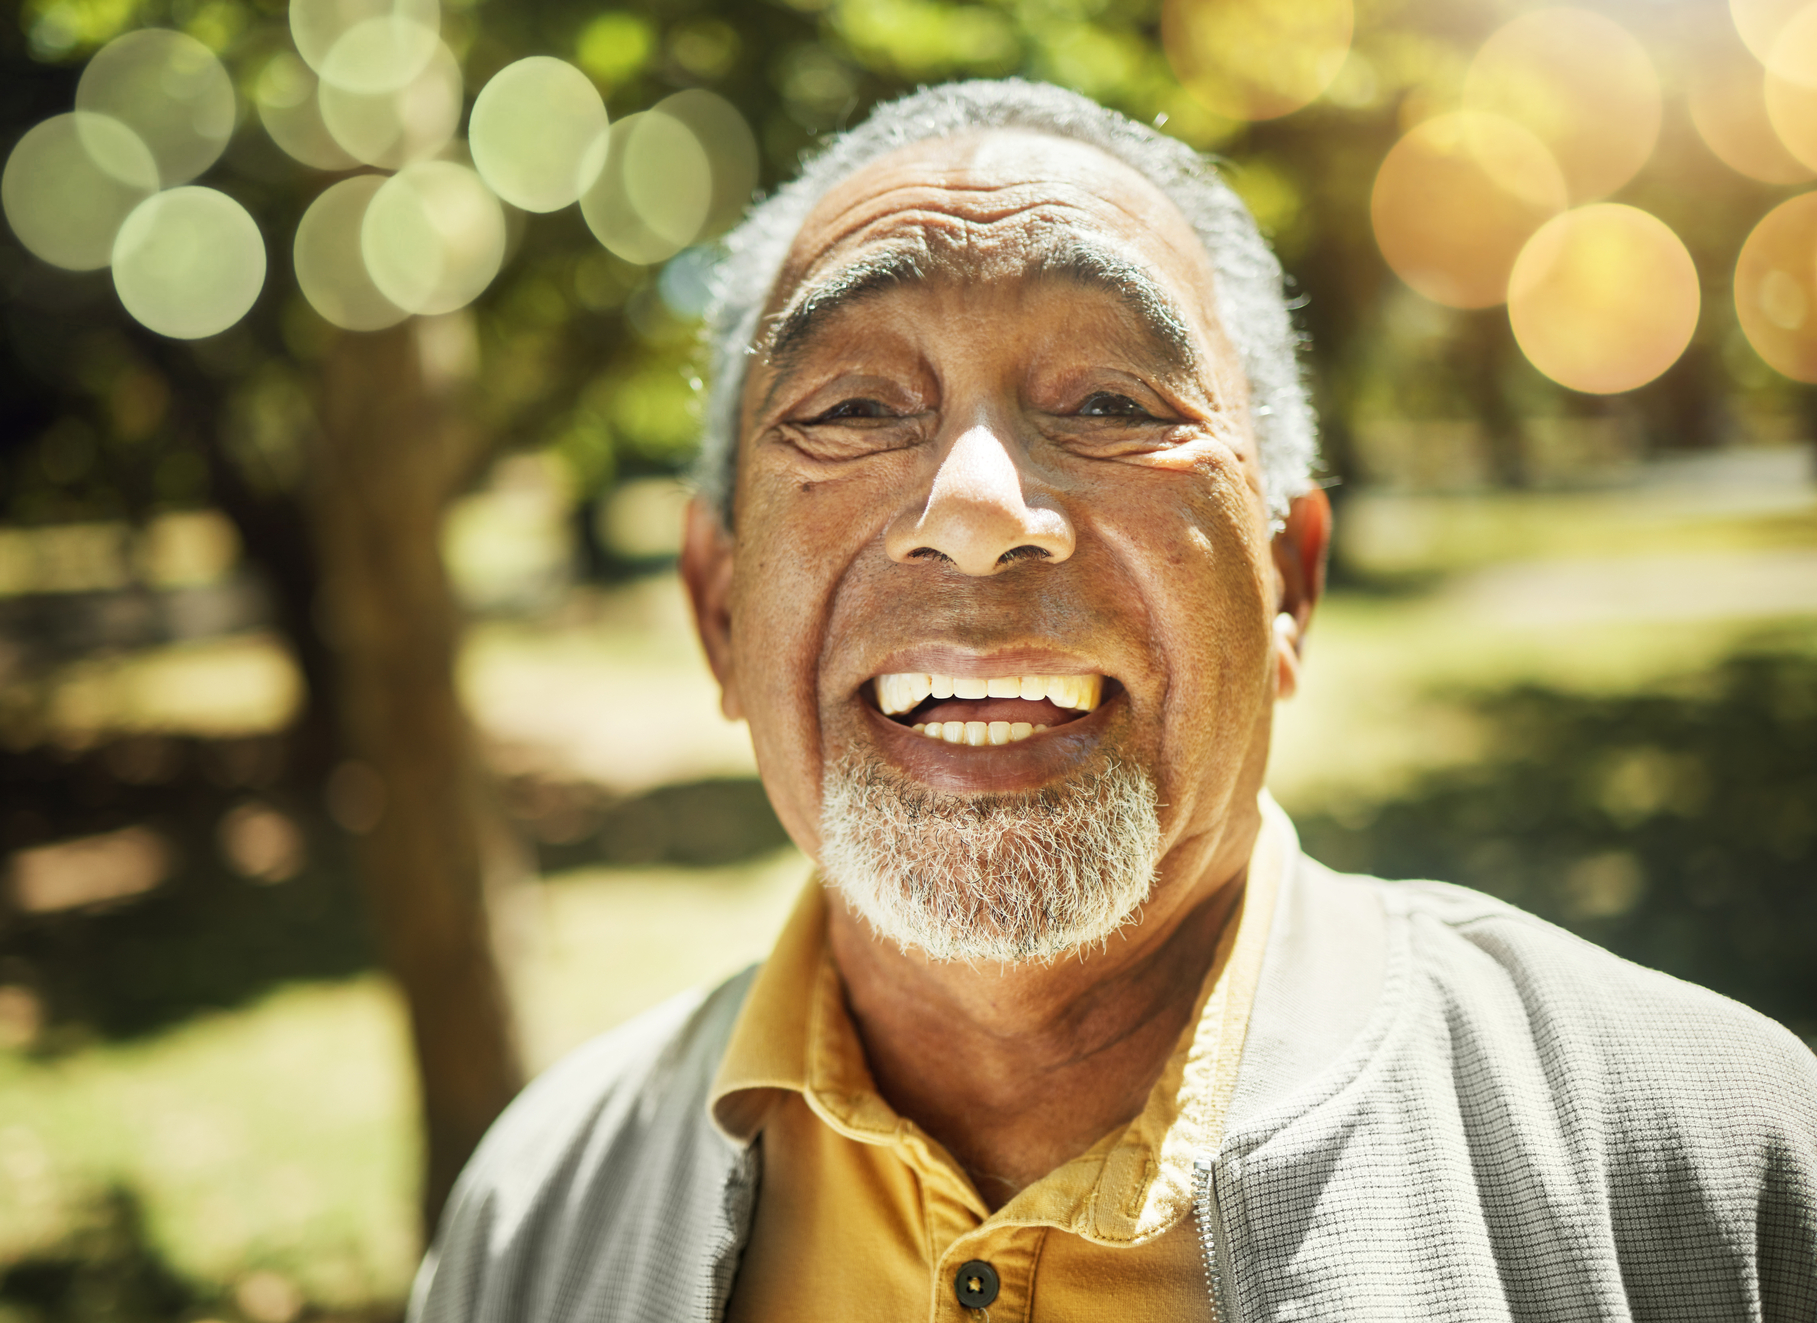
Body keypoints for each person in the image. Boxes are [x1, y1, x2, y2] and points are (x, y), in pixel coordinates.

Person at [409, 80, 1817, 1322]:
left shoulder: (1715, 1173)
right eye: (849, 410)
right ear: (719, 611)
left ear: (1288, 585)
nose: (975, 511)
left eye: (1111, 402)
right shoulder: (534, 1219)